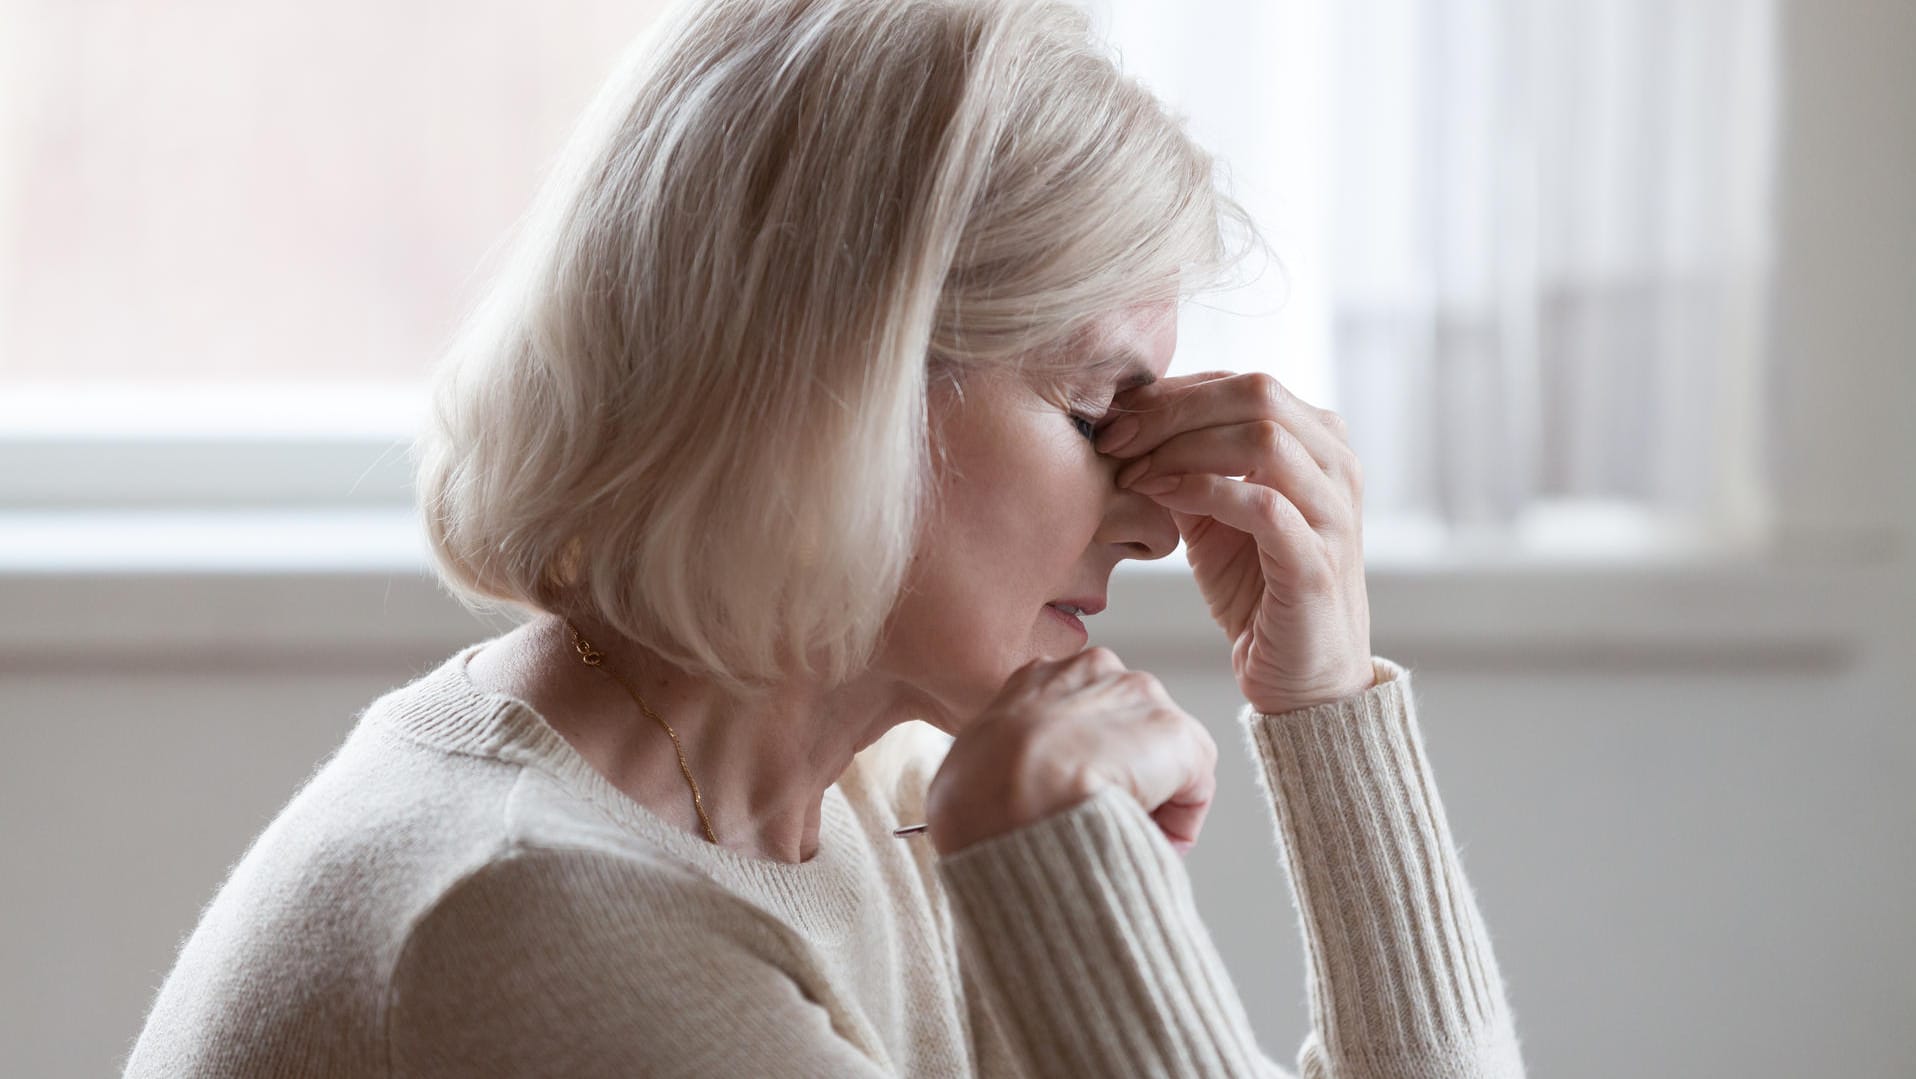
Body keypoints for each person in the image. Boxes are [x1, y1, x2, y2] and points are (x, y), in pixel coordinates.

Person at [124, 0, 1527, 1075]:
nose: (1161, 512)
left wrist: (1326, 702)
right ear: (839, 394)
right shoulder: (538, 925)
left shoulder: (872, 793)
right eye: (1102, 408)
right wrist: (1075, 898)